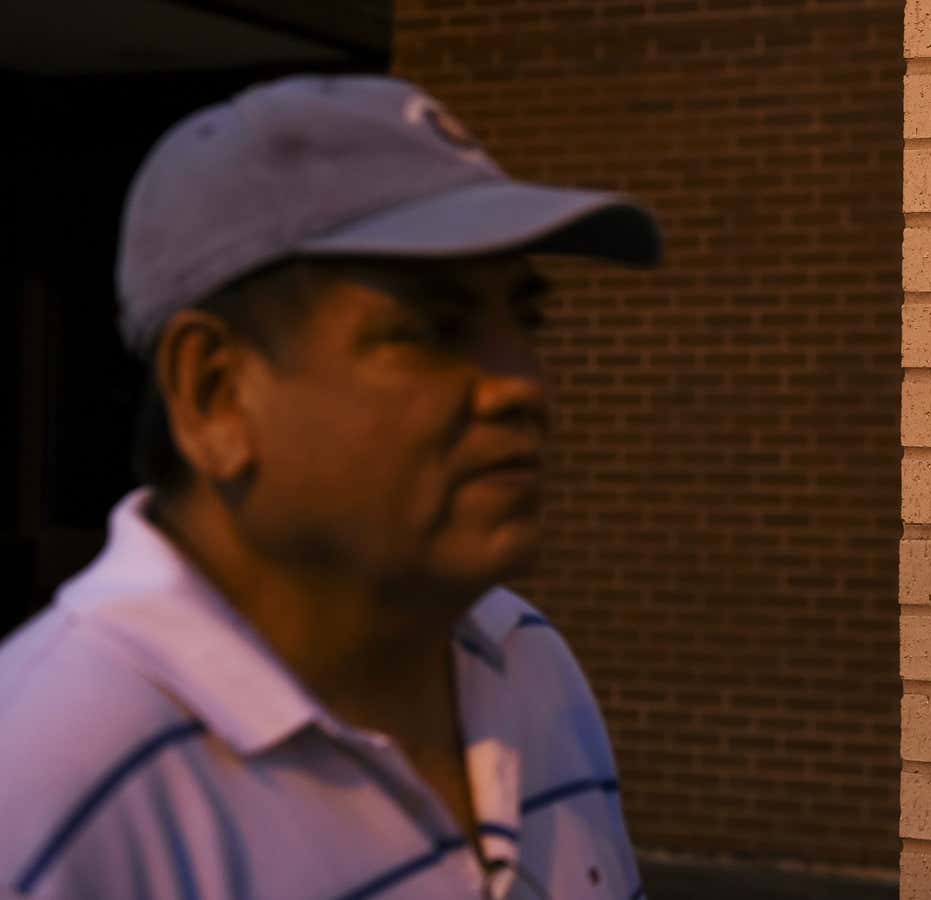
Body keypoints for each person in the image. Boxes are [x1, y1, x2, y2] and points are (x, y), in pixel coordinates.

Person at [0, 75, 661, 899]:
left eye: (526, 320)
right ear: (215, 394)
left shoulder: (528, 662)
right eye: (431, 330)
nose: (519, 384)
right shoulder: (47, 787)